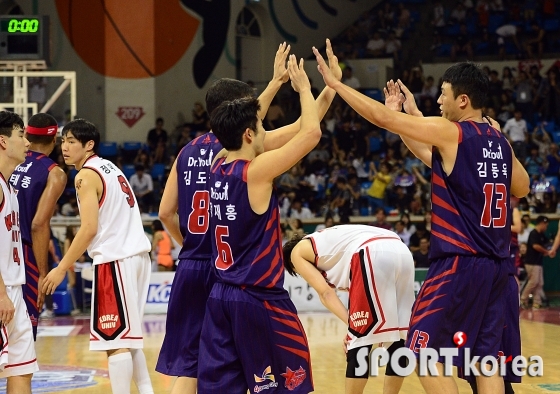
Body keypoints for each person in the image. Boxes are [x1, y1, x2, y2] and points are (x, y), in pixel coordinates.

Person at [314, 41, 530, 394]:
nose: (439, 101)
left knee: (423, 350)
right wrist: (412, 120)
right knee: (486, 359)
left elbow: (383, 118)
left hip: (460, 265)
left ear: (463, 100)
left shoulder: (454, 132)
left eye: (443, 94)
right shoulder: (499, 142)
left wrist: (337, 86)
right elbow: (519, 185)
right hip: (499, 269)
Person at [156, 42, 340, 394]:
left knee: (211, 379)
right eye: (260, 124)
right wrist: (305, 88)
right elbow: (310, 132)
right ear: (250, 133)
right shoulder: (256, 171)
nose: (265, 127)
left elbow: (242, 129)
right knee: (287, 386)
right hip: (258, 297)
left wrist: (321, 89)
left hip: (219, 294)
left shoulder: (214, 161)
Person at [42, 119, 154, 394]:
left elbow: (89, 228)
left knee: (114, 342)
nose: (64, 147)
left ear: (89, 145)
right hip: (137, 256)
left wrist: (60, 268)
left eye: (71, 142)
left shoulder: (84, 176)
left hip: (116, 259)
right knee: (129, 339)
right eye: (63, 141)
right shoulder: (111, 167)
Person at [282, 225, 414, 394]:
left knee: (358, 346)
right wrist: (354, 323)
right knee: (399, 341)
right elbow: (359, 296)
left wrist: (353, 328)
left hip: (370, 252)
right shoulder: (332, 244)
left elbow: (326, 294)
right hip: (401, 250)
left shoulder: (297, 253)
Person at [8, 113, 66, 339]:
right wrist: (43, 273)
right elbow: (39, 224)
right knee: (23, 330)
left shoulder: (10, 160)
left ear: (27, 136)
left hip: (5, 244)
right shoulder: (54, 173)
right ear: (55, 141)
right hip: (24, 252)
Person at [0, 111, 37, 393]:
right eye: (21, 135)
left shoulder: (10, 187)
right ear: (3, 141)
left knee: (22, 370)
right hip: (2, 291)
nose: (27, 143)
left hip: (15, 290)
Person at [520, 215, 549, 309]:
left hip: (538, 262)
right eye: (546, 225)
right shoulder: (534, 233)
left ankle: (537, 303)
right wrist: (546, 251)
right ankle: (523, 300)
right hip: (531, 262)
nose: (546, 227)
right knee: (534, 282)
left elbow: (548, 243)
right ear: (541, 223)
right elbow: (535, 246)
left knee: (539, 283)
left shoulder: (541, 234)